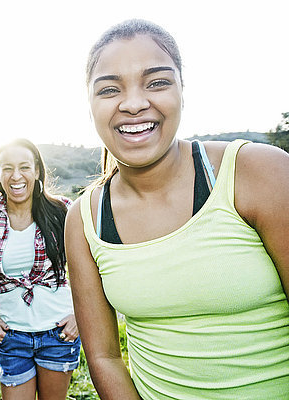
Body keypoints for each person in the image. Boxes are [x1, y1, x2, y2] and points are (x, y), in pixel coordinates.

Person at [65, 18, 289, 399]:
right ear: (89, 106)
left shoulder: (260, 172)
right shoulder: (84, 219)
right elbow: (104, 357)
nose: (134, 103)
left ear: (183, 92)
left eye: (157, 82)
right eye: (109, 89)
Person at [0, 138, 80, 400]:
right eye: (7, 168)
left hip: (58, 334)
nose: (16, 176)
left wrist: (79, 316)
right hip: (12, 338)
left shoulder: (64, 210)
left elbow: (93, 266)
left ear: (37, 171)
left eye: (24, 167)